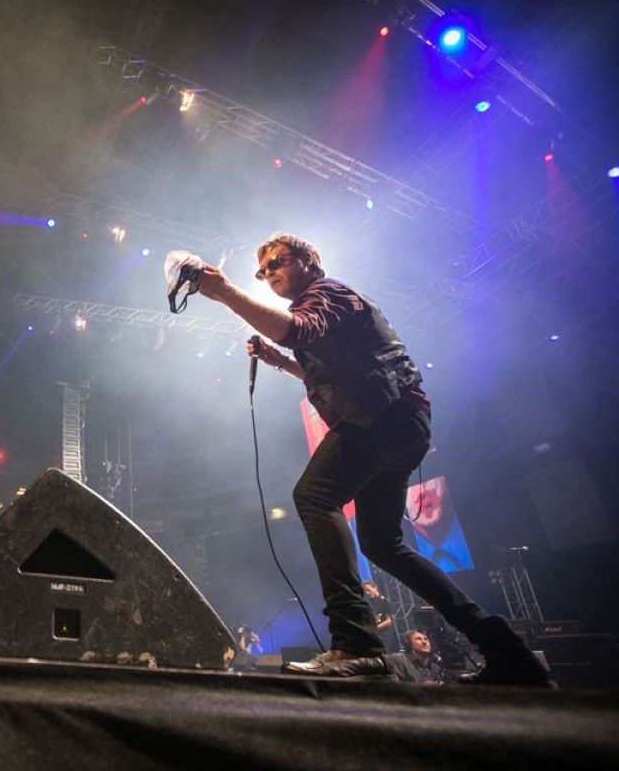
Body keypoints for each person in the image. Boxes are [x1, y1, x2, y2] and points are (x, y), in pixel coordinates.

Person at [198, 232, 551, 685]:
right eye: (262, 271)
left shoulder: (329, 293)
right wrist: (281, 363)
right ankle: (507, 651)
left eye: (277, 263)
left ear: (308, 260)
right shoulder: (323, 308)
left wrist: (225, 292)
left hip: (383, 417)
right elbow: (332, 372)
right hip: (394, 422)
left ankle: (356, 643)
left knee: (314, 496)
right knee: (382, 544)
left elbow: (297, 330)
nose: (268, 275)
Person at [361, 581, 397, 651]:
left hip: (386, 637)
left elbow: (389, 621)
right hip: (375, 637)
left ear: (375, 588)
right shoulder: (369, 604)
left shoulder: (385, 602)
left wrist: (374, 629)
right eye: (365, 591)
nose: (367, 593)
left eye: (368, 590)